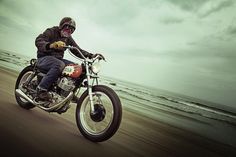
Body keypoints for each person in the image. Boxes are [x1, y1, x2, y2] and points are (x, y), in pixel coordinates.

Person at [35, 17, 94, 100]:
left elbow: (77, 50)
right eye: (67, 28)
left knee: (78, 69)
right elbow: (39, 41)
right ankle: (41, 89)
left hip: (58, 59)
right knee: (59, 65)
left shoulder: (68, 38)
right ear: (61, 26)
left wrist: (91, 55)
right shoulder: (51, 31)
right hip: (44, 57)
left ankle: (69, 93)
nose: (69, 31)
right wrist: (52, 45)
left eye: (71, 30)